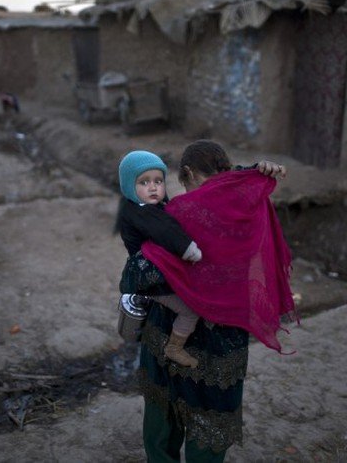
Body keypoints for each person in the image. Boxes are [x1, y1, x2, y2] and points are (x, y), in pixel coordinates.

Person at [119, 139, 291, 462]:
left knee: (162, 425)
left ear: (187, 173)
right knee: (209, 431)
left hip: (169, 337)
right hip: (223, 346)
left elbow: (138, 274)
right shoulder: (249, 210)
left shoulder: (181, 213)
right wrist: (253, 172)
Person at [116, 150, 205, 368]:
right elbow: (166, 230)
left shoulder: (144, 205)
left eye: (158, 181)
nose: (153, 187)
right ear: (129, 185)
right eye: (144, 182)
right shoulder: (141, 212)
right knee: (190, 311)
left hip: (152, 273)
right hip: (151, 280)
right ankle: (174, 348)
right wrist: (189, 250)